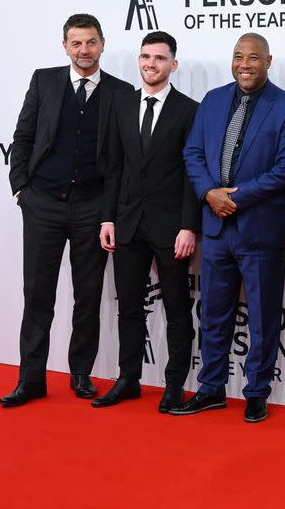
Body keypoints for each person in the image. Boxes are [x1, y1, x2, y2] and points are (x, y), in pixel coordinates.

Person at [2, 14, 133, 407]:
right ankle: (31, 379)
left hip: (92, 208)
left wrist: (109, 211)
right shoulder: (44, 80)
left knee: (88, 295)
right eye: (76, 43)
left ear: (103, 44)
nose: (84, 50)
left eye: (90, 42)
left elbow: (121, 160)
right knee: (37, 294)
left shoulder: (121, 92)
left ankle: (81, 374)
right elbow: (23, 135)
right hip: (42, 203)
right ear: (65, 47)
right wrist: (21, 189)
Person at [173, 33, 285, 422]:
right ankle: (211, 387)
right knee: (213, 314)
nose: (245, 64)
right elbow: (192, 153)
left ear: (268, 60)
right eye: (238, 56)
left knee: (263, 318)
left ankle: (257, 392)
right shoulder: (212, 101)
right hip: (215, 229)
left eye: (253, 57)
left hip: (260, 230)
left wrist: (236, 197)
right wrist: (208, 193)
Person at [93, 31, 200, 413]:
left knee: (176, 308)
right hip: (127, 223)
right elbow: (113, 168)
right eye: (145, 57)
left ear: (174, 64)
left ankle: (174, 385)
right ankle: (128, 379)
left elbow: (193, 174)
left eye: (159, 58)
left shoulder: (189, 110)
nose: (150, 64)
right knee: (129, 307)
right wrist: (108, 217)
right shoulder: (121, 105)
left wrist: (190, 225)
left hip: (172, 228)